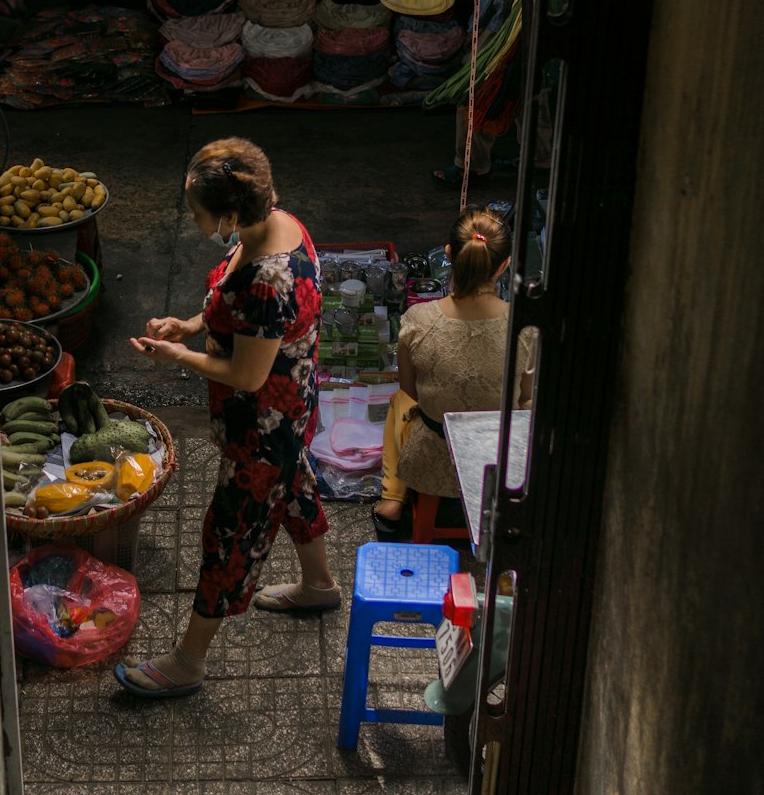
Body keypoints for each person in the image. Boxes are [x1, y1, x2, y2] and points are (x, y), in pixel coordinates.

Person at [115, 137, 340, 699]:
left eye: (198, 213)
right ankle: (319, 584)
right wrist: (192, 326)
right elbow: (235, 311)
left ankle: (188, 661)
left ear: (232, 214)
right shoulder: (278, 223)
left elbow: (246, 375)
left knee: (228, 534)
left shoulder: (270, 279)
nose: (194, 220)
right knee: (293, 487)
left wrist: (179, 357)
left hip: (263, 424)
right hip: (291, 405)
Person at [372, 208, 535, 542]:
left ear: (449, 255)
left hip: (435, 454)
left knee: (398, 402)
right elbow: (523, 396)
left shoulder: (418, 320)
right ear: (503, 266)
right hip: (501, 454)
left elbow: (411, 391)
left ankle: (391, 500)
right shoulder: (525, 326)